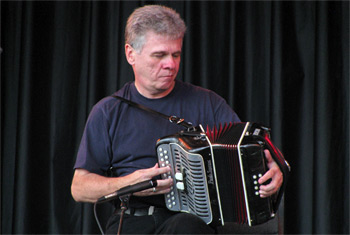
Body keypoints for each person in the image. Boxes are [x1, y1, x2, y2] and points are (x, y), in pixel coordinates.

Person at [71, 5, 283, 234]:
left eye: (176, 54)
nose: (170, 64)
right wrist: (131, 183)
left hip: (193, 222)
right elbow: (79, 187)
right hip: (133, 221)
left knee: (186, 226)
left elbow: (246, 150)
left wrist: (271, 168)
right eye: (159, 55)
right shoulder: (108, 111)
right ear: (131, 54)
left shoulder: (208, 103)